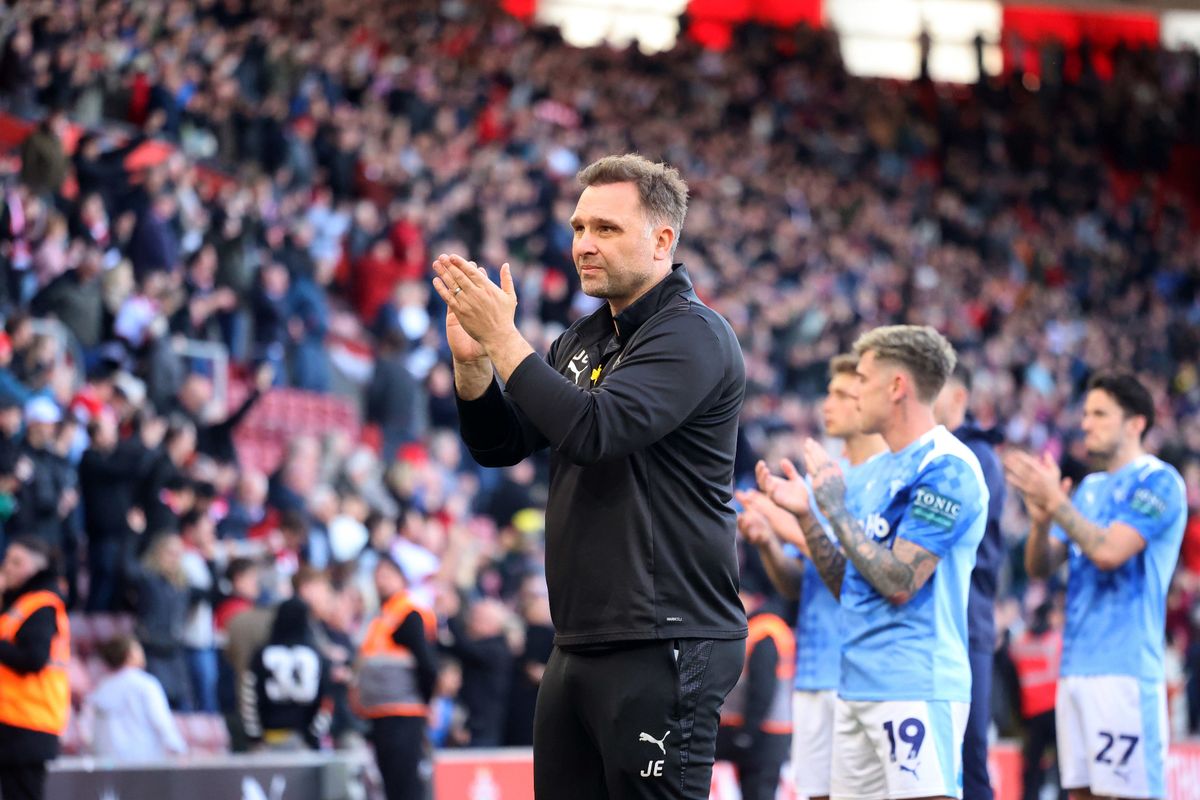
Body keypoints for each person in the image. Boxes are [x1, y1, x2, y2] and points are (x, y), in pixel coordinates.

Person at [435, 153, 747, 799]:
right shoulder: (581, 340)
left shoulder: (692, 334)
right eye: (578, 228)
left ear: (663, 240)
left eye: (605, 229)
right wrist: (473, 366)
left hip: (666, 637)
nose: (583, 245)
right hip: (579, 636)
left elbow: (595, 432)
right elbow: (500, 446)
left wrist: (505, 339)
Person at [760, 325, 988, 800]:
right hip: (855, 684)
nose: (854, 392)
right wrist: (806, 516)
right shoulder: (872, 473)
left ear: (897, 387)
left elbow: (900, 581)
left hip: (916, 684)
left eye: (862, 379)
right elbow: (853, 585)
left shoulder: (947, 467)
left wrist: (834, 508)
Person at [1007, 371, 1187, 800]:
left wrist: (1057, 504)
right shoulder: (1089, 488)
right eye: (1086, 414)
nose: (1085, 423)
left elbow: (1109, 552)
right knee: (1082, 794)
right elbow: (1040, 566)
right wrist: (1042, 521)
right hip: (1074, 670)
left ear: (1136, 423)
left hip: (1124, 670)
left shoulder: (1159, 482)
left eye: (1100, 414)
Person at [736, 353, 887, 800]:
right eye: (830, 392)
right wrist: (767, 541)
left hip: (859, 671)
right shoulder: (820, 484)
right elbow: (799, 585)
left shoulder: (883, 484)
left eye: (844, 394)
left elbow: (873, 578)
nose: (828, 403)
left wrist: (798, 529)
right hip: (812, 668)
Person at [934, 363, 1007, 800]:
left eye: (933, 388)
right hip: (938, 623)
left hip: (967, 621)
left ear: (959, 397)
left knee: (968, 753)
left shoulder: (976, 458)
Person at [353, 554, 437, 800]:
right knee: (391, 783)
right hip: (382, 712)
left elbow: (427, 665)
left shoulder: (407, 614)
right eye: (377, 576)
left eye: (387, 575)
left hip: (403, 712)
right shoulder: (381, 616)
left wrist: (424, 701)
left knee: (404, 784)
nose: (381, 582)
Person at [0, 536, 71, 800]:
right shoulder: (20, 604)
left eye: (16, 562)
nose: (7, 566)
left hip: (27, 722)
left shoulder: (41, 605)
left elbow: (33, 659)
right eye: (7, 560)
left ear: (36, 568)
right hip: (18, 720)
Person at [715, 590, 794, 800]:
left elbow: (763, 687)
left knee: (759, 793)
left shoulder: (764, 630)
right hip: (761, 730)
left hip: (764, 733)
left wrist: (747, 732)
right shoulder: (759, 627)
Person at [240, 598, 332, 751]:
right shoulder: (317, 656)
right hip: (304, 741)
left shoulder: (262, 654)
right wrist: (314, 736)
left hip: (268, 739)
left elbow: (249, 698)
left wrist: (254, 737)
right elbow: (327, 700)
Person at [82, 634, 187, 761]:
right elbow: (161, 721)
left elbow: (87, 731)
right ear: (130, 654)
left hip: (109, 765)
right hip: (143, 764)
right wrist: (179, 749)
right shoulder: (146, 684)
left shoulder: (100, 689)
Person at [1010, 602, 1064, 800]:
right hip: (1054, 710)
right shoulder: (1056, 640)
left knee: (1032, 766)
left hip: (1031, 711)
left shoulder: (1020, 643)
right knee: (1062, 767)